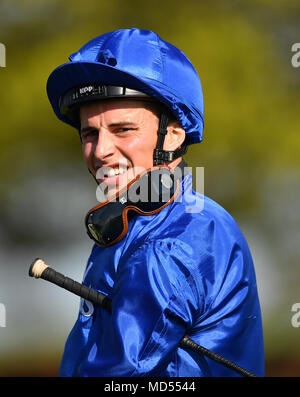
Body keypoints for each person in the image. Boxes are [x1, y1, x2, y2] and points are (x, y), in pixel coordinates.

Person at [46, 28, 265, 377]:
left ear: (173, 135)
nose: (100, 151)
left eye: (123, 130)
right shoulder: (158, 219)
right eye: (90, 133)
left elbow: (119, 377)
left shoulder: (168, 244)